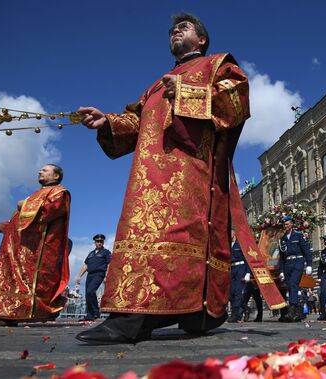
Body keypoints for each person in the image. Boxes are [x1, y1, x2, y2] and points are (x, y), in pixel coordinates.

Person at [75, 13, 286, 345]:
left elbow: (236, 100)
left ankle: (147, 317)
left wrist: (187, 92)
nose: (175, 31)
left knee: (177, 234)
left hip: (189, 171)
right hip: (147, 175)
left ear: (201, 40)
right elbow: (136, 118)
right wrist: (109, 122)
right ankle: (181, 313)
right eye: (172, 30)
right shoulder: (157, 84)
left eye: (183, 28)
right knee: (141, 231)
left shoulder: (217, 65)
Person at [0, 164, 71, 326]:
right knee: (6, 276)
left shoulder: (59, 192)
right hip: (16, 245)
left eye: (45, 170)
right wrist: (5, 225)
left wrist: (25, 204)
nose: (40, 171)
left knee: (28, 282)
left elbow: (49, 212)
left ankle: (16, 313)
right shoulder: (36, 194)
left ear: (56, 176)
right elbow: (20, 220)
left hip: (37, 248)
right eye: (40, 170)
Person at [278, 216, 312, 322]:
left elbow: (306, 250)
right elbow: (282, 258)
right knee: (291, 287)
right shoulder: (282, 239)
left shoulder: (298, 236)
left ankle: (292, 309)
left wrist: (309, 264)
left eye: (287, 223)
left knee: (293, 284)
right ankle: (297, 313)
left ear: (292, 224)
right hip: (288, 264)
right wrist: (282, 271)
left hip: (298, 262)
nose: (285, 225)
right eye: (284, 224)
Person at [75, 234, 112, 321]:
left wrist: (106, 275)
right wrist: (79, 276)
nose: (99, 243)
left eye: (101, 241)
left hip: (99, 274)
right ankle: (90, 316)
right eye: (98, 241)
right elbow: (86, 265)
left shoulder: (106, 252)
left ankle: (96, 312)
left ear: (103, 242)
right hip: (90, 275)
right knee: (87, 294)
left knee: (91, 290)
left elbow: (109, 264)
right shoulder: (91, 253)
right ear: (95, 242)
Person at [228, 229, 250, 322]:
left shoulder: (240, 244)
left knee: (237, 292)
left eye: (230, 232)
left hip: (240, 268)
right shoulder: (227, 245)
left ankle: (235, 314)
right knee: (230, 294)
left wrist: (248, 273)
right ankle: (245, 308)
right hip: (231, 269)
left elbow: (247, 258)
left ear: (234, 233)